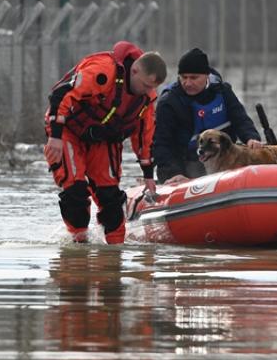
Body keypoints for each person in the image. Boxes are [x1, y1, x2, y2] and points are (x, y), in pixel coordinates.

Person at [44, 41, 167, 243]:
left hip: (103, 138)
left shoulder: (146, 99)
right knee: (75, 191)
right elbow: (61, 95)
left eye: (152, 87)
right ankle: (78, 244)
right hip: (67, 131)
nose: (147, 91)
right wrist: (55, 137)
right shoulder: (103, 71)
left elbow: (144, 135)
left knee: (110, 197)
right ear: (134, 70)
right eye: (146, 85)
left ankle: (114, 251)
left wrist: (148, 175)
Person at [152, 47, 263, 183]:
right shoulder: (168, 102)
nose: (187, 83)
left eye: (194, 78)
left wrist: (251, 138)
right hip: (184, 163)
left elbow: (241, 120)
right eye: (184, 77)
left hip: (222, 159)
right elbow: (162, 144)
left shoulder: (223, 92)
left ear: (206, 76)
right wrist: (174, 173)